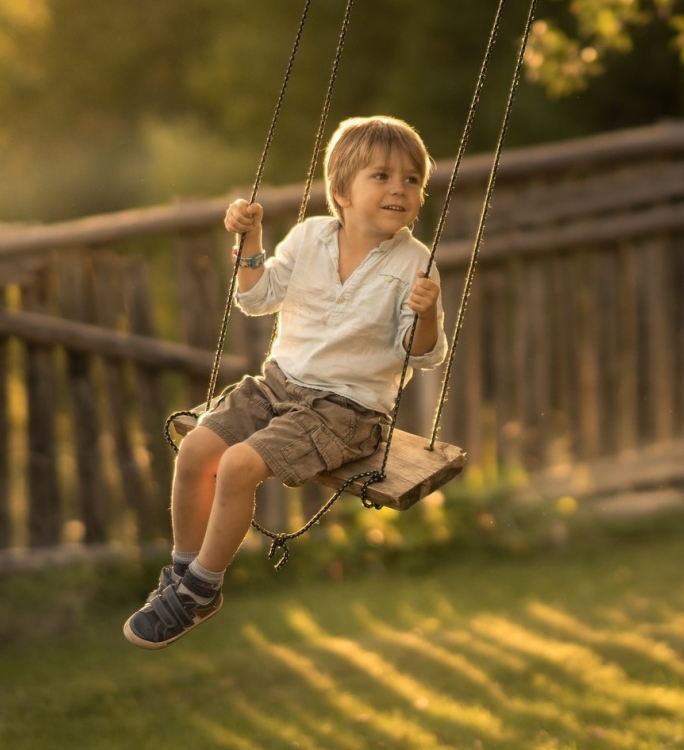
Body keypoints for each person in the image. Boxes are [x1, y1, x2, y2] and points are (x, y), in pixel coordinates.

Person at [123, 115, 448, 649]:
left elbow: (422, 355)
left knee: (236, 466)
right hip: (277, 385)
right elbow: (255, 298)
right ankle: (183, 574)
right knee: (195, 449)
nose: (400, 188)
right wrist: (250, 238)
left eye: (412, 180)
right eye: (382, 176)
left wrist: (428, 314)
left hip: (346, 410)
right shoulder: (309, 236)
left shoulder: (416, 264)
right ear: (341, 191)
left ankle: (204, 587)